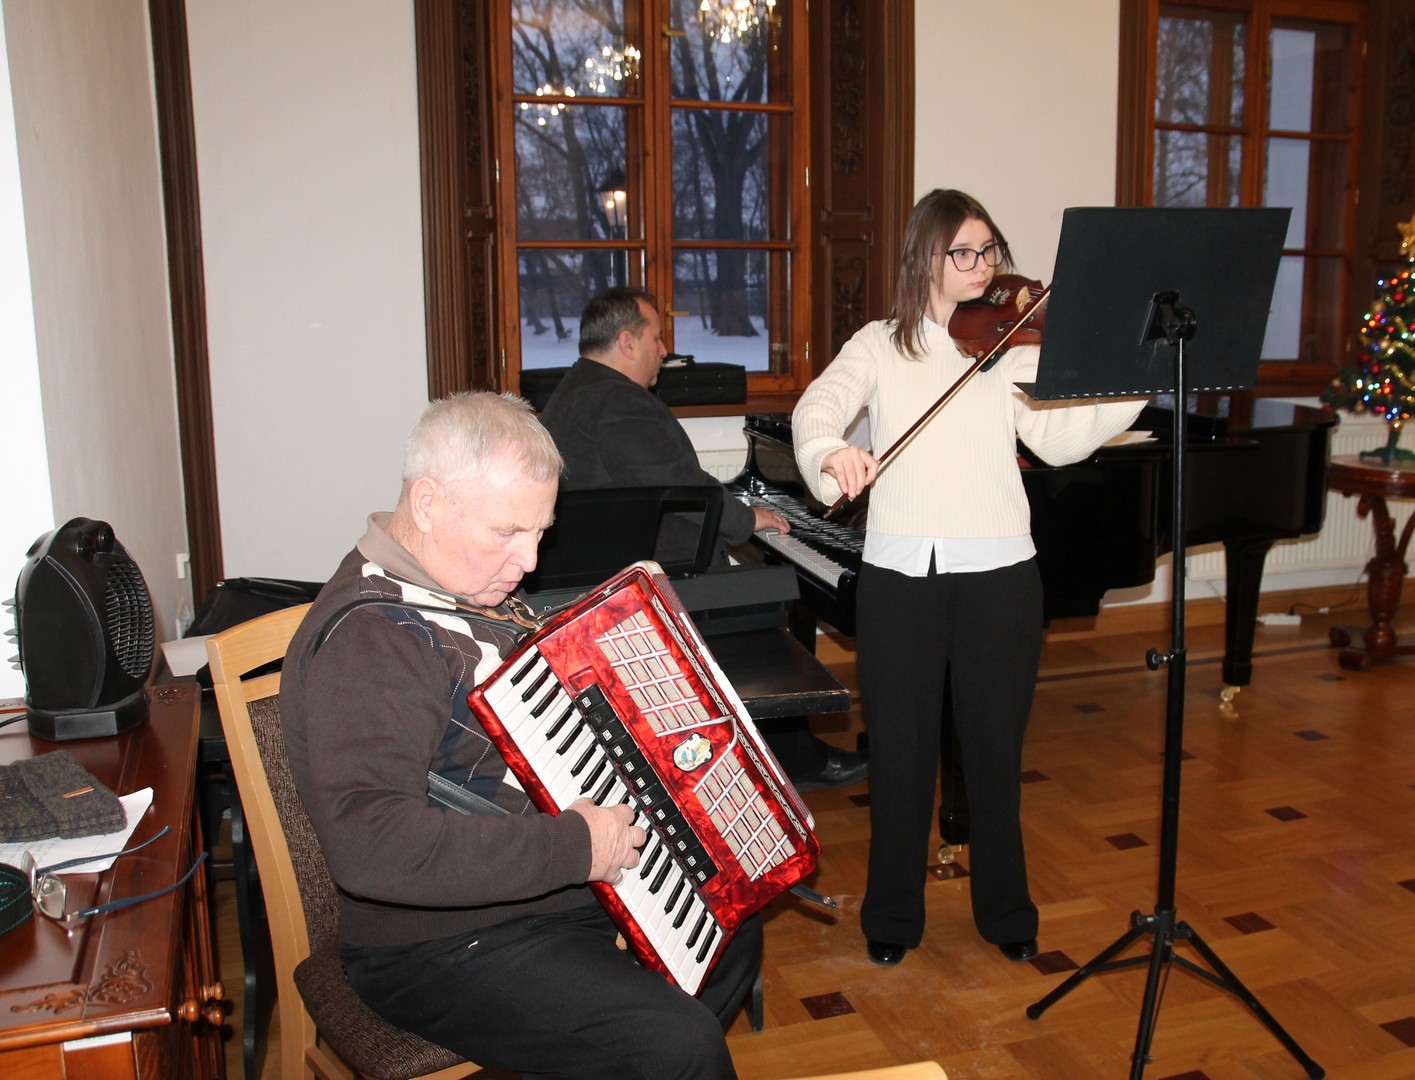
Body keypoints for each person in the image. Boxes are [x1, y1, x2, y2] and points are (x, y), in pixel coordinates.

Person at [280, 391, 760, 1079]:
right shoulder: (372, 641)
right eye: (507, 533)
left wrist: (622, 615)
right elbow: (370, 847)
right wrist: (575, 845)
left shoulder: (457, 588)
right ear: (427, 504)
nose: (529, 561)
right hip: (438, 941)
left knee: (731, 927)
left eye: (540, 532)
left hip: (534, 890)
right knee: (677, 1047)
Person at [791, 189, 1147, 968]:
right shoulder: (880, 344)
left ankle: (1006, 910)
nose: (985, 269)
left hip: (999, 579)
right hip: (900, 582)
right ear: (925, 257)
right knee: (903, 758)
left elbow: (1055, 440)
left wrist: (1131, 384)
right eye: (966, 253)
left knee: (993, 756)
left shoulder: (1012, 346)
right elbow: (818, 408)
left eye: (991, 252)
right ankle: (892, 916)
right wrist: (830, 454)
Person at [541, 285, 868, 791]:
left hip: (612, 567)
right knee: (765, 599)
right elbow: (684, 491)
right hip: (650, 580)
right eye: (656, 336)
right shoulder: (619, 403)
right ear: (627, 342)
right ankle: (792, 761)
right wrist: (746, 520)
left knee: (763, 585)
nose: (664, 350)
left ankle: (776, 753)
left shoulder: (574, 390)